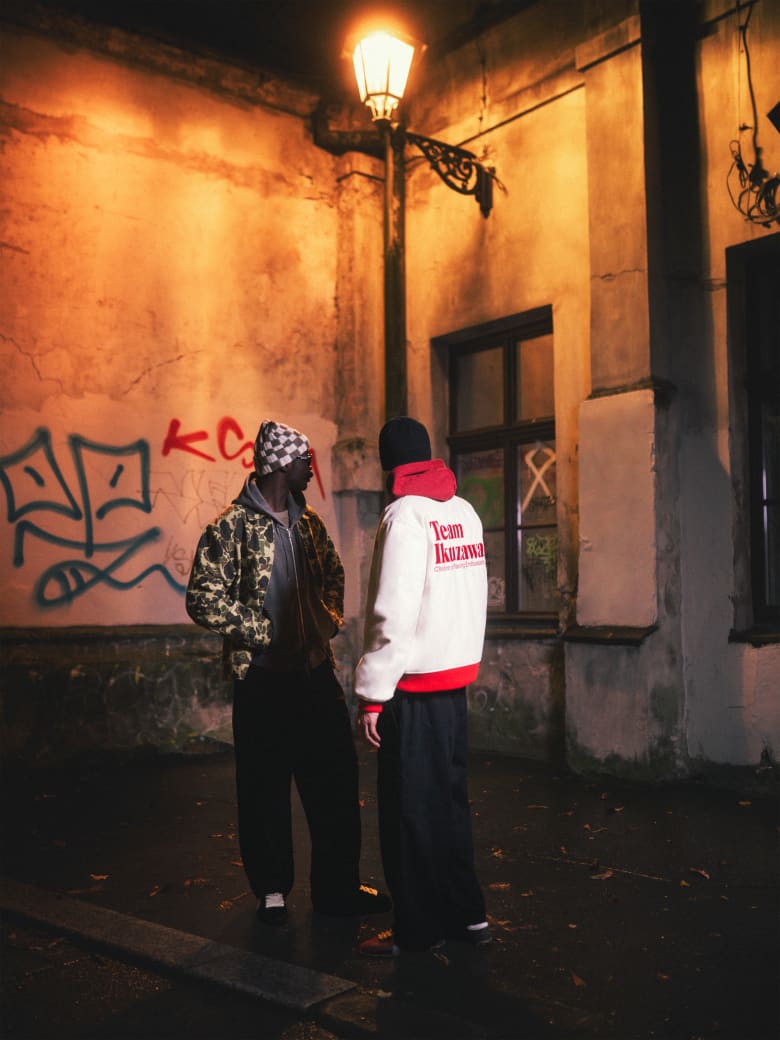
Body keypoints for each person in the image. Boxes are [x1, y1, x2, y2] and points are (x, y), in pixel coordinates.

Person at [186, 419, 390, 925]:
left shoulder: (309, 523)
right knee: (264, 788)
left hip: (315, 676)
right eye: (304, 460)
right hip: (261, 680)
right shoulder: (230, 526)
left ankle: (337, 890)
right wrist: (259, 630)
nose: (310, 469)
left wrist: (328, 620)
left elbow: (334, 574)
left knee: (335, 786)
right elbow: (202, 596)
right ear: (280, 465)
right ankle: (272, 891)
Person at [355, 417, 490, 956]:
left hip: (412, 688)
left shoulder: (404, 516)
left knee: (409, 810)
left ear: (388, 464)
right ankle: (467, 915)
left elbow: (393, 610)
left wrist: (373, 692)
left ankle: (415, 931)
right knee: (450, 803)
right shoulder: (464, 512)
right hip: (454, 683)